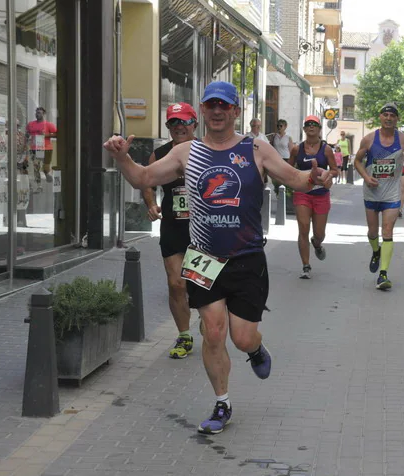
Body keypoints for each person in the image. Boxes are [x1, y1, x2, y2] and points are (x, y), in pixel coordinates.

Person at [103, 81, 329, 435]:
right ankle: (222, 402)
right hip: (203, 257)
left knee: (240, 337)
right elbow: (142, 178)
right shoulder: (185, 152)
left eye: (225, 105)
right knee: (212, 332)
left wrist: (316, 178)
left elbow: (297, 179)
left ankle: (254, 348)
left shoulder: (256, 148)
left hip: (247, 258)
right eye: (211, 105)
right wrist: (121, 158)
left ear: (236, 111)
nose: (218, 111)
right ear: (203, 111)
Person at [142, 102, 198, 359]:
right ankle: (184, 335)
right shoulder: (161, 154)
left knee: (201, 285)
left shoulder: (206, 150)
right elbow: (146, 180)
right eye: (173, 123)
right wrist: (151, 203)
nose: (179, 127)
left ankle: (211, 325)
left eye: (184, 121)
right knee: (176, 284)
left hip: (203, 230)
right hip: (173, 227)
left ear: (194, 124)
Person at [353, 102, 404, 290]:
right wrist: (365, 177)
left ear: (397, 119)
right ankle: (376, 251)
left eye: (392, 115)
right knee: (373, 232)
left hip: (392, 193)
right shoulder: (368, 139)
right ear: (380, 117)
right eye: (385, 115)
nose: (389, 118)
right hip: (372, 191)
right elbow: (357, 161)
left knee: (387, 231)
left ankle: (383, 274)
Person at [289, 115, 338, 278]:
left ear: (319, 129)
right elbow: (288, 169)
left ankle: (317, 244)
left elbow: (335, 170)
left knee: (319, 234)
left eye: (314, 125)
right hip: (303, 193)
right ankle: (306, 265)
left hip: (321, 194)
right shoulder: (297, 149)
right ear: (304, 129)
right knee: (303, 227)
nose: (311, 127)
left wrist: (325, 174)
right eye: (308, 125)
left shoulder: (326, 149)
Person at [25, 107, 58, 192]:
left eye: (39, 113)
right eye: (36, 112)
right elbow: (27, 133)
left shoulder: (48, 124)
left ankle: (46, 173)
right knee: (36, 167)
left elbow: (56, 134)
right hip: (35, 148)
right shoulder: (30, 124)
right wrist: (27, 137)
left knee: (45, 166)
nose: (37, 114)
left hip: (46, 148)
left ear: (43, 114)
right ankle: (39, 186)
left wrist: (46, 135)